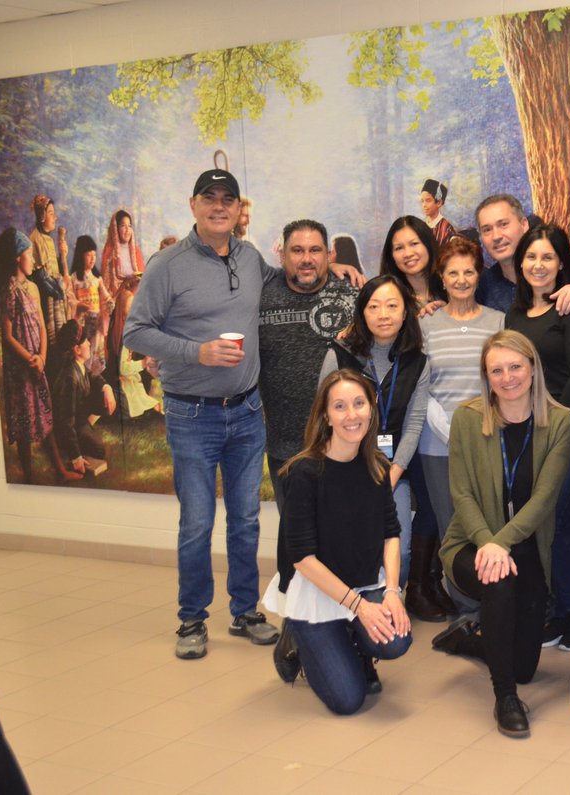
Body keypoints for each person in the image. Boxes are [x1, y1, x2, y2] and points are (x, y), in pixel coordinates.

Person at [123, 168, 280, 660]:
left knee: (247, 520)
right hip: (192, 415)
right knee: (196, 522)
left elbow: (288, 287)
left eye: (227, 199)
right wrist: (197, 353)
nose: (219, 206)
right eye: (209, 198)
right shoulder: (166, 265)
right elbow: (135, 333)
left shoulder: (250, 257)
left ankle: (245, 610)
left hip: (248, 412)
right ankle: (191, 620)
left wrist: (339, 271)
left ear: (237, 209)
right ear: (193, 205)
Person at [432, 330, 570, 738]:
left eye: (516, 367)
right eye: (497, 370)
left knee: (526, 667)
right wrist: (488, 543)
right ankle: (505, 698)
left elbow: (544, 499)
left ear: (533, 369)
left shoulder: (559, 420)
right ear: (486, 376)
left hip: (524, 547)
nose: (508, 377)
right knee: (498, 579)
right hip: (469, 545)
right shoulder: (467, 417)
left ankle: (471, 641)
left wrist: (503, 542)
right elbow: (460, 492)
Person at [261, 369, 412, 714]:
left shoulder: (376, 466)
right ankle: (298, 638)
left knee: (397, 642)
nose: (351, 414)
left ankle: (353, 643)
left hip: (362, 582)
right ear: (325, 416)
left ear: (371, 409)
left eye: (359, 403)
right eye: (340, 406)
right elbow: (302, 558)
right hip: (317, 588)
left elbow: (391, 532)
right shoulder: (304, 473)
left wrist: (391, 591)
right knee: (348, 701)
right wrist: (361, 608)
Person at [320, 275, 450, 622]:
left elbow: (413, 422)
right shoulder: (340, 353)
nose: (383, 314)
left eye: (392, 305)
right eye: (373, 306)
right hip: (343, 473)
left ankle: (378, 619)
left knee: (400, 554)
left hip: (392, 473)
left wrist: (391, 476)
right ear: (362, 313)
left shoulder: (417, 362)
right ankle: (341, 620)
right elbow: (324, 417)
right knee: (345, 551)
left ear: (406, 312)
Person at [505, 224, 570, 651]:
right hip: (529, 432)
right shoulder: (515, 315)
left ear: (561, 263)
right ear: (519, 264)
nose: (538, 265)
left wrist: (552, 422)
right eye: (530, 258)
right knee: (539, 520)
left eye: (547, 257)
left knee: (558, 517)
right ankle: (554, 608)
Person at [258, 219, 360, 511]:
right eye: (297, 250)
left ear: (329, 255)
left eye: (315, 250)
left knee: (345, 538)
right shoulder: (262, 296)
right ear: (282, 256)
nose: (306, 259)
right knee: (297, 541)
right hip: (286, 448)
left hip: (345, 445)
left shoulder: (353, 291)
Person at [418, 236, 505, 535]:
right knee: (450, 530)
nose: (461, 280)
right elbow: (420, 387)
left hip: (488, 438)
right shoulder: (426, 325)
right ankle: (452, 584)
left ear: (478, 276)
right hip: (437, 443)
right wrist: (449, 431)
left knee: (490, 528)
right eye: (453, 273)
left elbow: (506, 385)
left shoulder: (499, 322)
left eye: (468, 272)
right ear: (442, 279)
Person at [0, 228, 80, 484]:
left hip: (37, 365)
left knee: (45, 414)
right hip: (21, 368)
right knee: (23, 421)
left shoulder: (33, 288)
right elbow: (7, 336)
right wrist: (29, 359)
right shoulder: (10, 291)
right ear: (17, 257)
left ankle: (59, 471)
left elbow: (42, 326)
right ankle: (29, 476)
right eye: (29, 254)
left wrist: (41, 357)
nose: (32, 259)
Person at [474, 194, 570, 314]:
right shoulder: (483, 285)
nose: (496, 236)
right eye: (487, 230)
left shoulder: (560, 266)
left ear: (524, 224)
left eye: (503, 224)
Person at [49, 320, 117, 475]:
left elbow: (93, 376)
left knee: (103, 397)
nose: (89, 344)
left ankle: (85, 434)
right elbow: (66, 420)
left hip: (80, 419)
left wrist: (107, 388)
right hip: (70, 426)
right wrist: (76, 457)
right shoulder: (69, 377)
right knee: (99, 451)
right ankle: (70, 448)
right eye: (86, 342)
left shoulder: (78, 365)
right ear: (77, 349)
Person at [378, 216, 445, 314]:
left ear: (428, 245)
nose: (408, 254)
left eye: (414, 244)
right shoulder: (386, 299)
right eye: (399, 248)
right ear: (391, 256)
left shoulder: (451, 289)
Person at [28, 194, 71, 343]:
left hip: (56, 293)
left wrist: (62, 255)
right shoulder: (35, 238)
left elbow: (54, 269)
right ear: (42, 216)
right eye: (51, 213)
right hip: (45, 298)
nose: (55, 217)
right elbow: (39, 274)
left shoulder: (50, 239)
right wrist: (58, 290)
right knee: (51, 336)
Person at [69, 234, 110, 374]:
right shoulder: (74, 279)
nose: (93, 259)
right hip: (82, 323)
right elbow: (69, 299)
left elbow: (106, 298)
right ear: (81, 255)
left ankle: (95, 381)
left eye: (94, 255)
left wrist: (111, 304)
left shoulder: (97, 279)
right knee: (84, 353)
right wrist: (78, 305)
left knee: (96, 353)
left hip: (97, 323)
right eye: (89, 255)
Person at [101, 209, 145, 304]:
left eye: (129, 226)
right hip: (115, 300)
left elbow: (142, 278)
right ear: (115, 228)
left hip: (135, 298)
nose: (127, 230)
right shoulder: (109, 251)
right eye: (123, 226)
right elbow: (106, 283)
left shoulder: (136, 251)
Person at [420, 178, 457, 245]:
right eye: (422, 201)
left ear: (439, 203)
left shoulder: (446, 228)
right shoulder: (421, 224)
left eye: (428, 200)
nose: (424, 205)